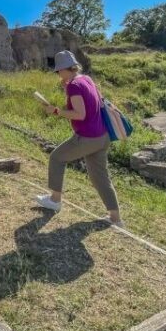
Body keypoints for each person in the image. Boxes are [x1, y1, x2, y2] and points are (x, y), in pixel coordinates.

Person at [35, 50, 123, 227]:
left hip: (88, 137)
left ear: (64, 69)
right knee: (100, 177)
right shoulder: (86, 79)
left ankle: (55, 200)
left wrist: (56, 111)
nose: (58, 74)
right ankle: (115, 218)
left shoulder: (74, 85)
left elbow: (80, 114)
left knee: (57, 158)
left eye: (58, 71)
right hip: (102, 136)